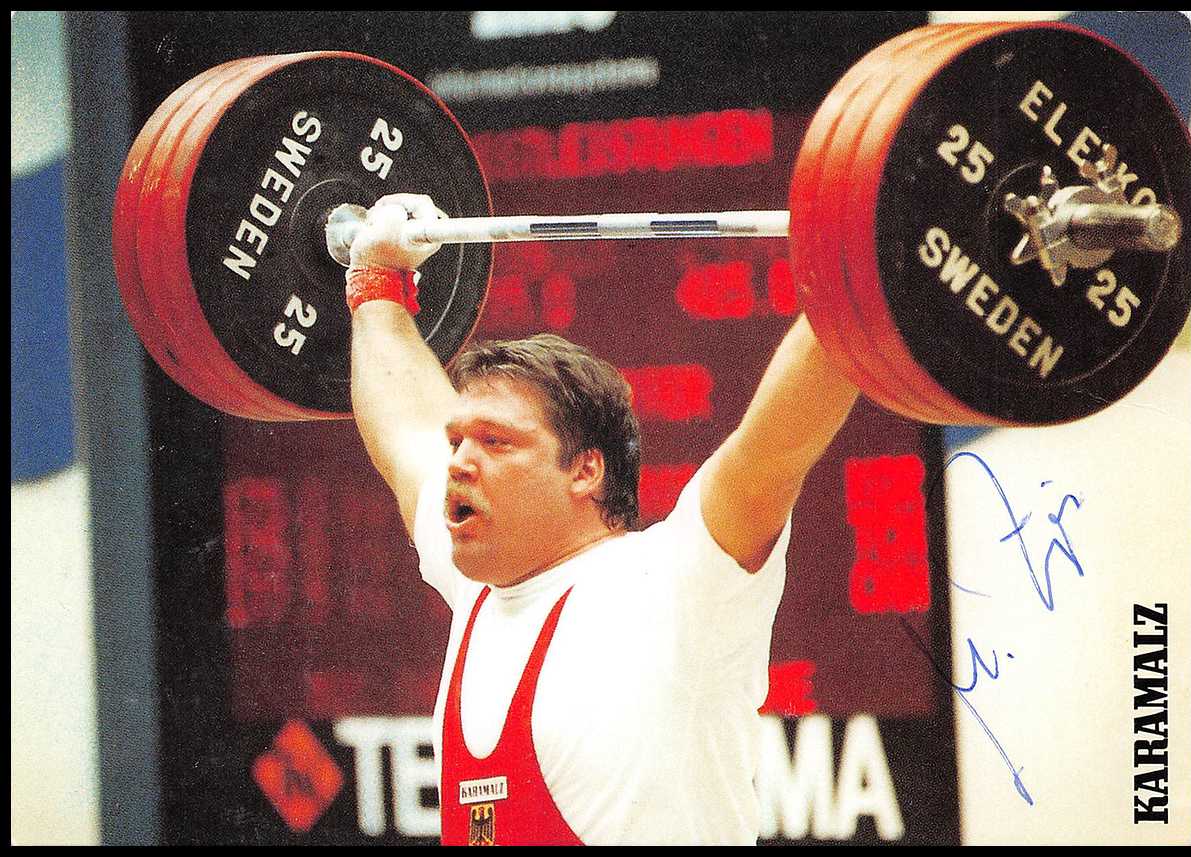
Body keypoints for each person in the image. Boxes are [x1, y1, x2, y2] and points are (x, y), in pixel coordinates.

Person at [346, 194, 859, 845]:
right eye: (458, 442)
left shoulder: (671, 583)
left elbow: (774, 445)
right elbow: (405, 422)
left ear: (585, 470)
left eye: (496, 441)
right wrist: (376, 284)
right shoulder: (477, 588)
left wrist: (862, 270)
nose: (459, 463)